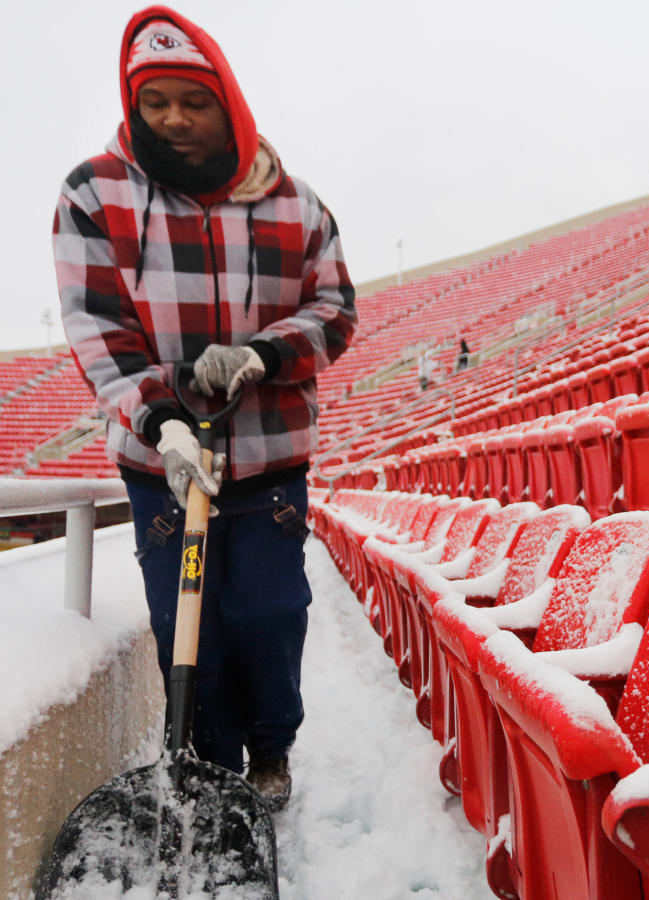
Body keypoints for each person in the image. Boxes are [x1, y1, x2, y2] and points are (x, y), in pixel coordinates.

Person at [52, 6, 356, 811]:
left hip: (268, 458)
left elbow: (336, 312)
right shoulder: (95, 193)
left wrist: (265, 354)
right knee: (188, 629)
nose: (174, 120)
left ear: (228, 101)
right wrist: (162, 416)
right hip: (163, 462)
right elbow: (95, 326)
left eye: (194, 101)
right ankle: (210, 774)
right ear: (132, 104)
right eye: (155, 103)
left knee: (267, 611)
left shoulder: (295, 205)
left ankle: (270, 755)